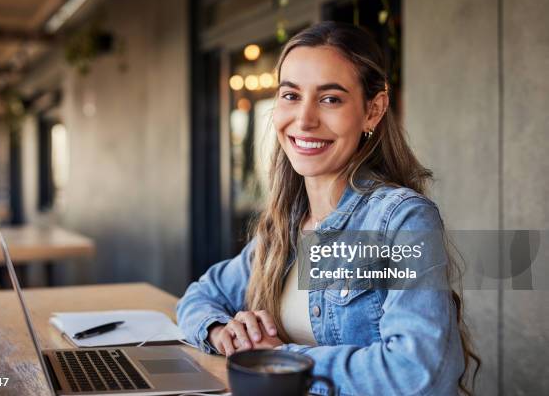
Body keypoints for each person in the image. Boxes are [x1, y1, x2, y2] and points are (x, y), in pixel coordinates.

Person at [177, 21, 480, 395]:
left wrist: (284, 362)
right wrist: (222, 331)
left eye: (330, 99)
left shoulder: (401, 218)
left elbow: (415, 371)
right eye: (291, 96)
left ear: (373, 110)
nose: (304, 120)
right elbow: (199, 296)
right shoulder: (284, 226)